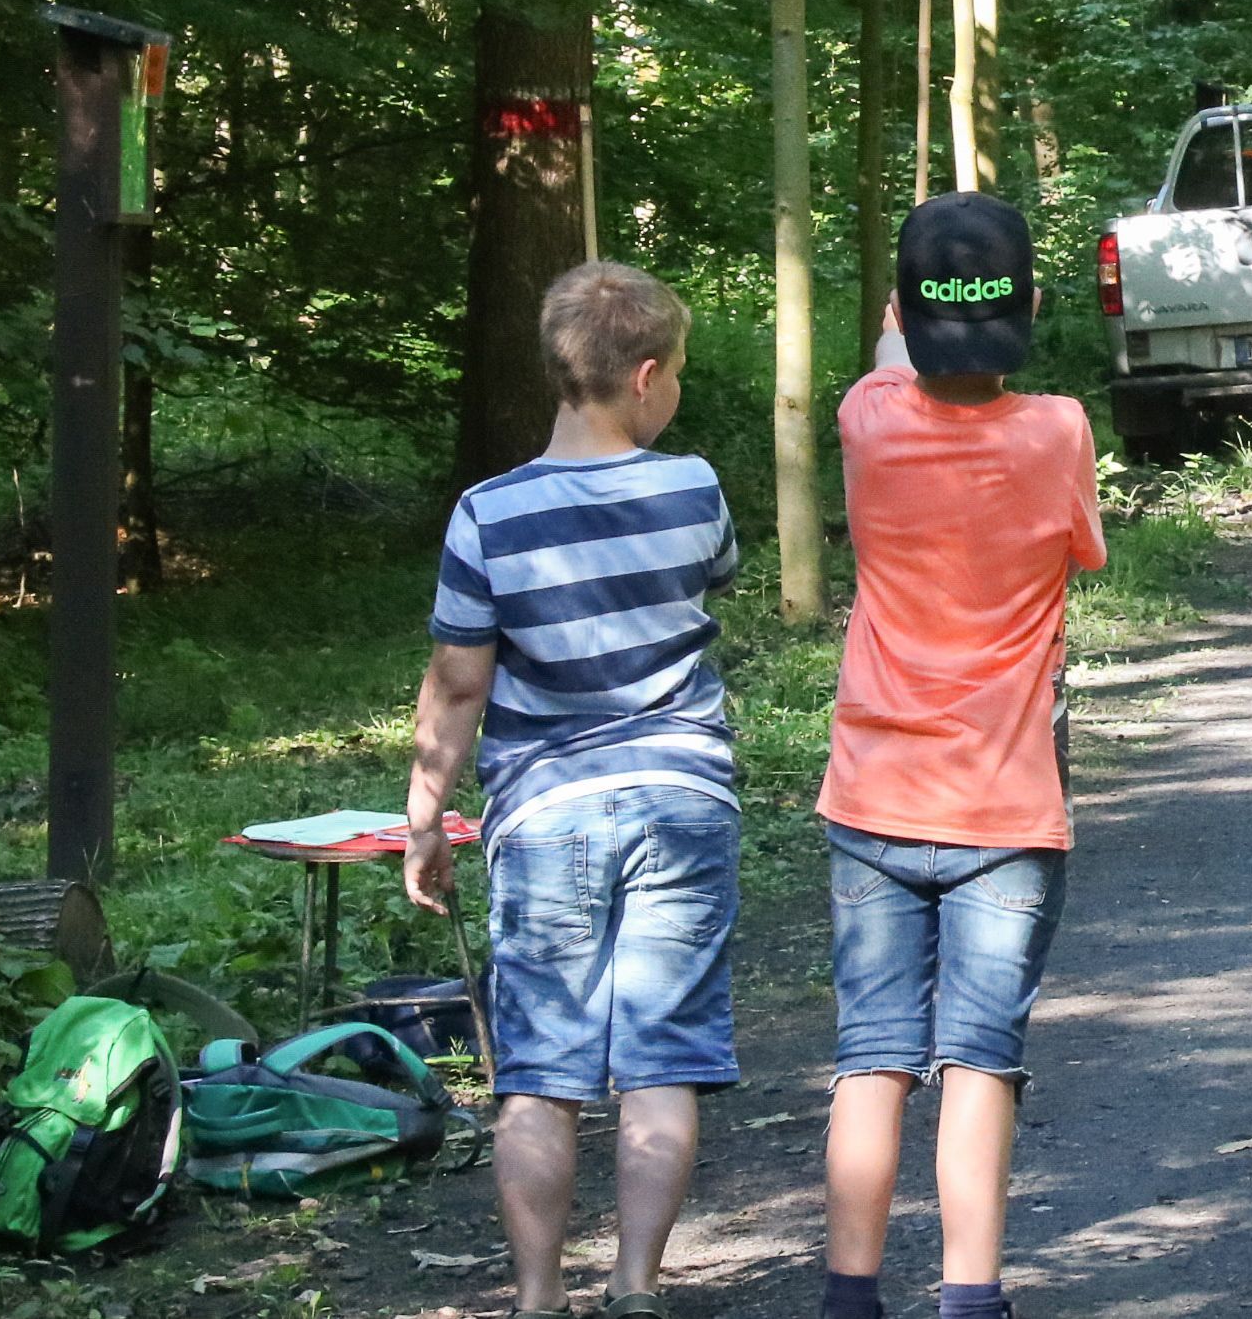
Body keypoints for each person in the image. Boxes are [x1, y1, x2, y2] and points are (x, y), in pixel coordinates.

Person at [401, 261, 748, 1319]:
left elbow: (461, 681)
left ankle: (540, 1297)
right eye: (678, 371)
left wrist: (425, 818)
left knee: (541, 1069)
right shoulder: (692, 487)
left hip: (547, 811)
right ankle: (636, 1288)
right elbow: (712, 577)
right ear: (644, 375)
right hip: (682, 798)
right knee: (663, 1056)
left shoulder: (487, 514)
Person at [815, 192, 1109, 1319]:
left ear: (900, 313)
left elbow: (897, 352)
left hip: (875, 791)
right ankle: (970, 1297)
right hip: (1004, 803)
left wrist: (909, 314)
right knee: (981, 1060)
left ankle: (851, 1295)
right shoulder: (1058, 429)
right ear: (1028, 309)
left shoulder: (866, 418)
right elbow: (1081, 547)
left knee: (871, 1057)